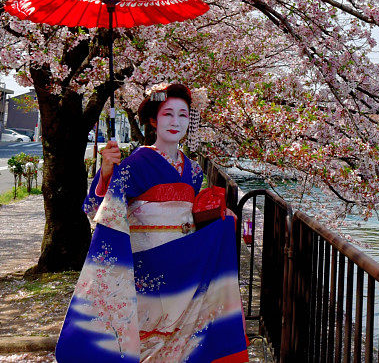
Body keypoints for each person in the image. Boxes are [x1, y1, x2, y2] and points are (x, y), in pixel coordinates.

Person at [56, 83, 248, 363]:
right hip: (150, 263)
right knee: (150, 336)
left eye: (183, 115)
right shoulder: (137, 162)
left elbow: (192, 214)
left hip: (184, 263)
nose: (175, 122)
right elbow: (97, 207)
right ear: (153, 120)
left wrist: (219, 216)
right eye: (167, 114)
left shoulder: (193, 170)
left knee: (183, 336)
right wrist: (107, 172)